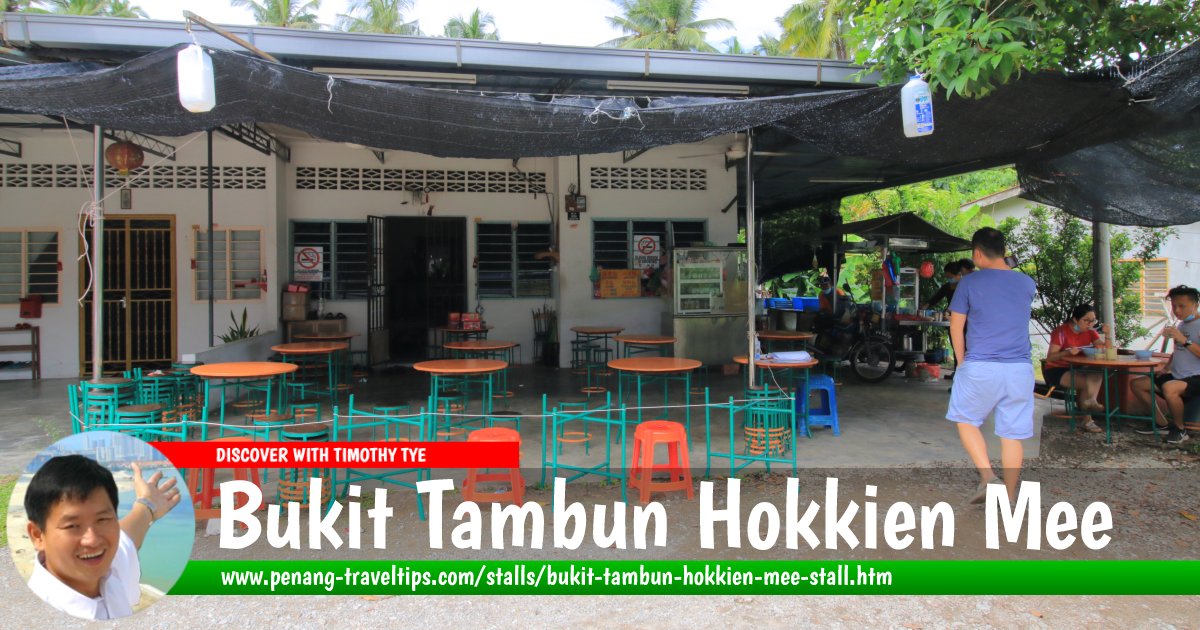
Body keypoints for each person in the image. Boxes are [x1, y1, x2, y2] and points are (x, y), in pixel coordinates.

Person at [24, 455, 182, 620]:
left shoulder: (108, 566)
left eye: (102, 519)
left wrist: (148, 504)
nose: (92, 540)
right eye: (72, 526)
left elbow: (127, 537)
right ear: (37, 535)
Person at [946, 227, 1037, 503]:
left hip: (981, 365)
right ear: (1004, 250)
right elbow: (1005, 279)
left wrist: (961, 362)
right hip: (1020, 368)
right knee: (1012, 435)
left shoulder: (969, 283)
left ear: (976, 253)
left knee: (965, 419)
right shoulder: (1026, 283)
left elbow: (956, 327)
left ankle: (988, 477)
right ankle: (1009, 498)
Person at [1130, 285, 1200, 444]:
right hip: (1178, 375)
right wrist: (1166, 368)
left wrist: (1184, 339)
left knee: (1170, 387)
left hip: (1196, 377)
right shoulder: (1182, 324)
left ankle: (1180, 429)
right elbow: (1178, 351)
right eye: (1174, 306)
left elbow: (1186, 345)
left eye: (1182, 306)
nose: (1177, 310)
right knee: (1137, 384)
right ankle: (1161, 424)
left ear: (1195, 305)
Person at [1043, 304, 1108, 433]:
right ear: (1075, 319)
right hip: (1057, 369)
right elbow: (1050, 358)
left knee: (1098, 372)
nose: (1090, 324)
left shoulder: (1090, 331)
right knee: (1085, 382)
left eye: (1093, 320)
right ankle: (1087, 419)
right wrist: (1067, 353)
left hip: (1078, 367)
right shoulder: (1061, 332)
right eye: (1086, 320)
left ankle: (1091, 401)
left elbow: (1103, 349)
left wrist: (1108, 335)